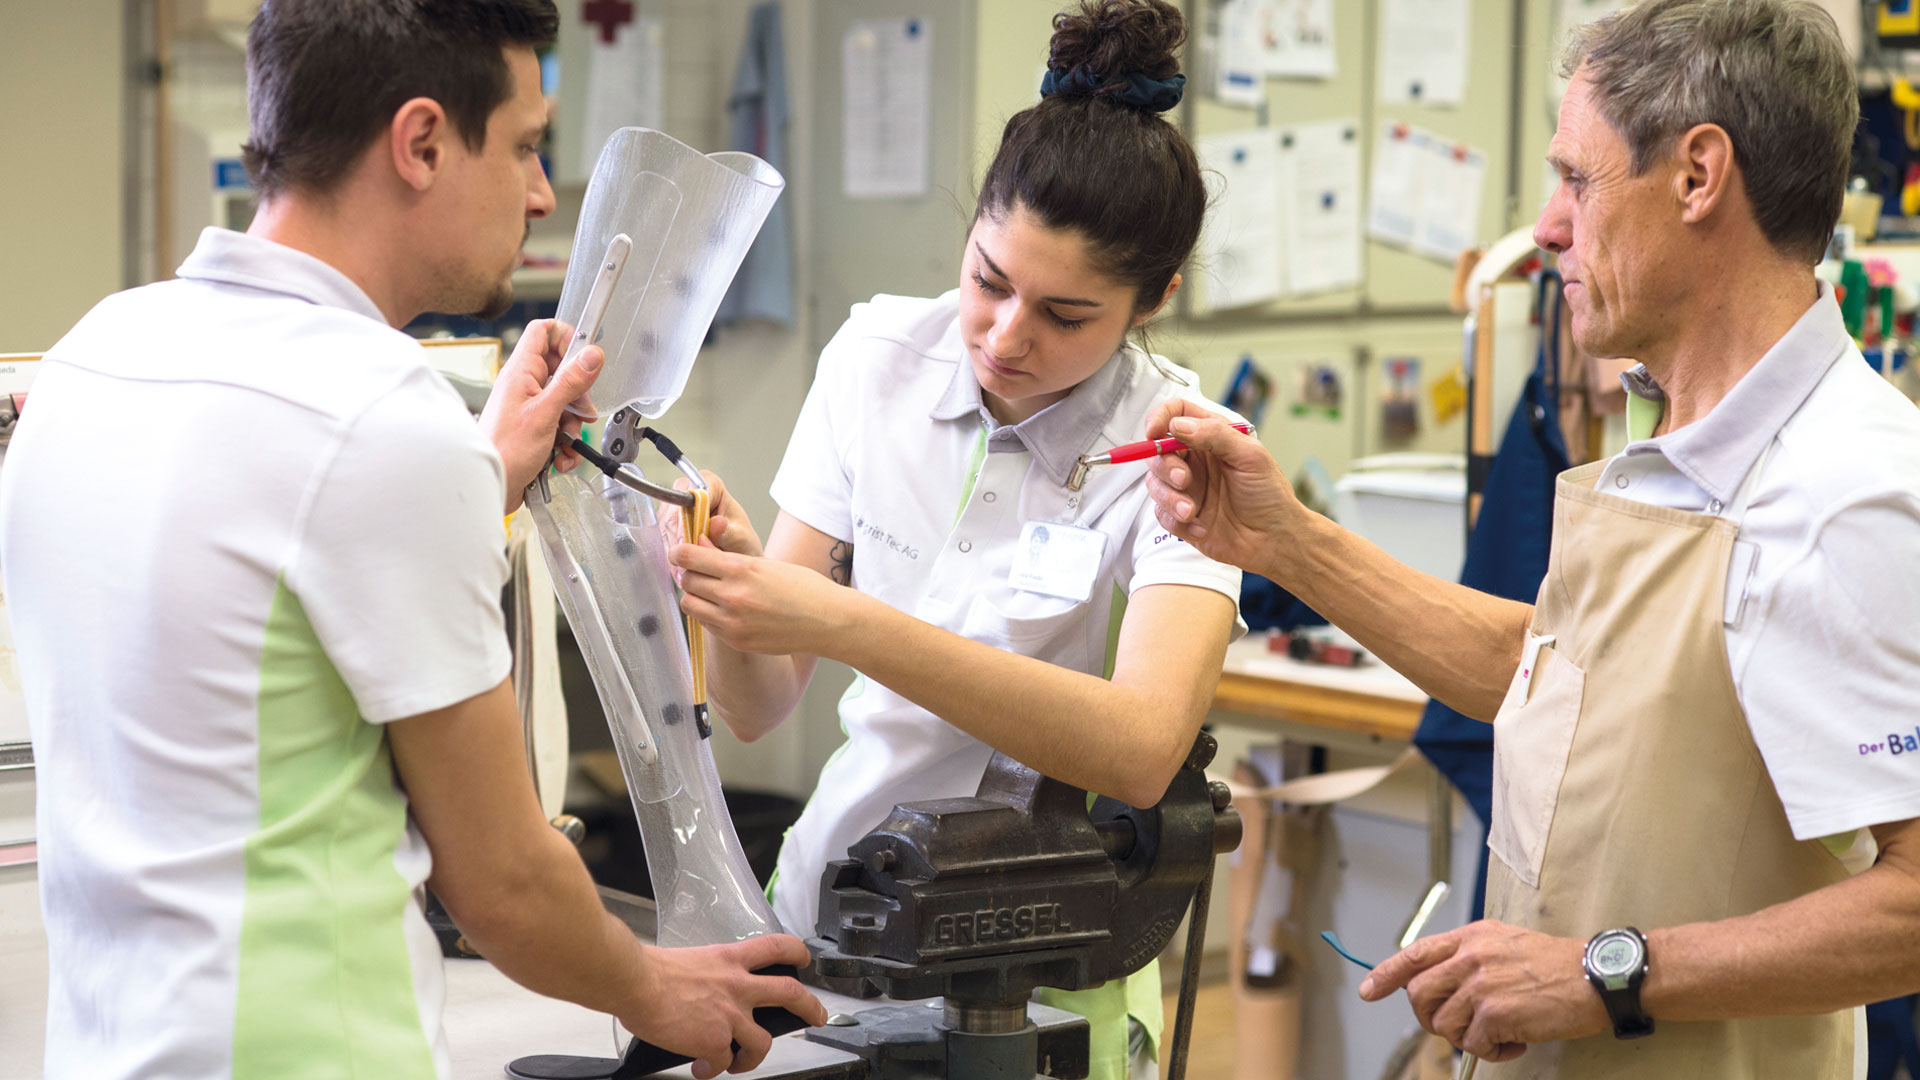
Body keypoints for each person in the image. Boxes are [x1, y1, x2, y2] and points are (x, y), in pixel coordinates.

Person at [0, 2, 823, 1078]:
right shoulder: (381, 422)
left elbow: (256, 629)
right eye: (527, 146)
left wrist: (476, 475)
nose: (539, 195)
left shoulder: (94, 356)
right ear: (423, 141)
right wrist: (661, 989)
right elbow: (505, 887)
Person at [1145, 1, 1920, 1077]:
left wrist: (1607, 976)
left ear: (1698, 177)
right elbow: (1561, 680)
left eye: (1577, 180)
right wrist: (1288, 544)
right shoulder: (1688, 436)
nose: (1549, 227)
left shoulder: (1849, 488)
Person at [665, 3, 1244, 1076]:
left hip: (1046, 966)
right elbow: (753, 712)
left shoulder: (1189, 452)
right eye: (988, 279)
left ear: (1154, 300)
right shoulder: (876, 358)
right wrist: (739, 595)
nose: (1005, 337)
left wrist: (847, 621)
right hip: (840, 924)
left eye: (1066, 316)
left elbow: (1141, 745)